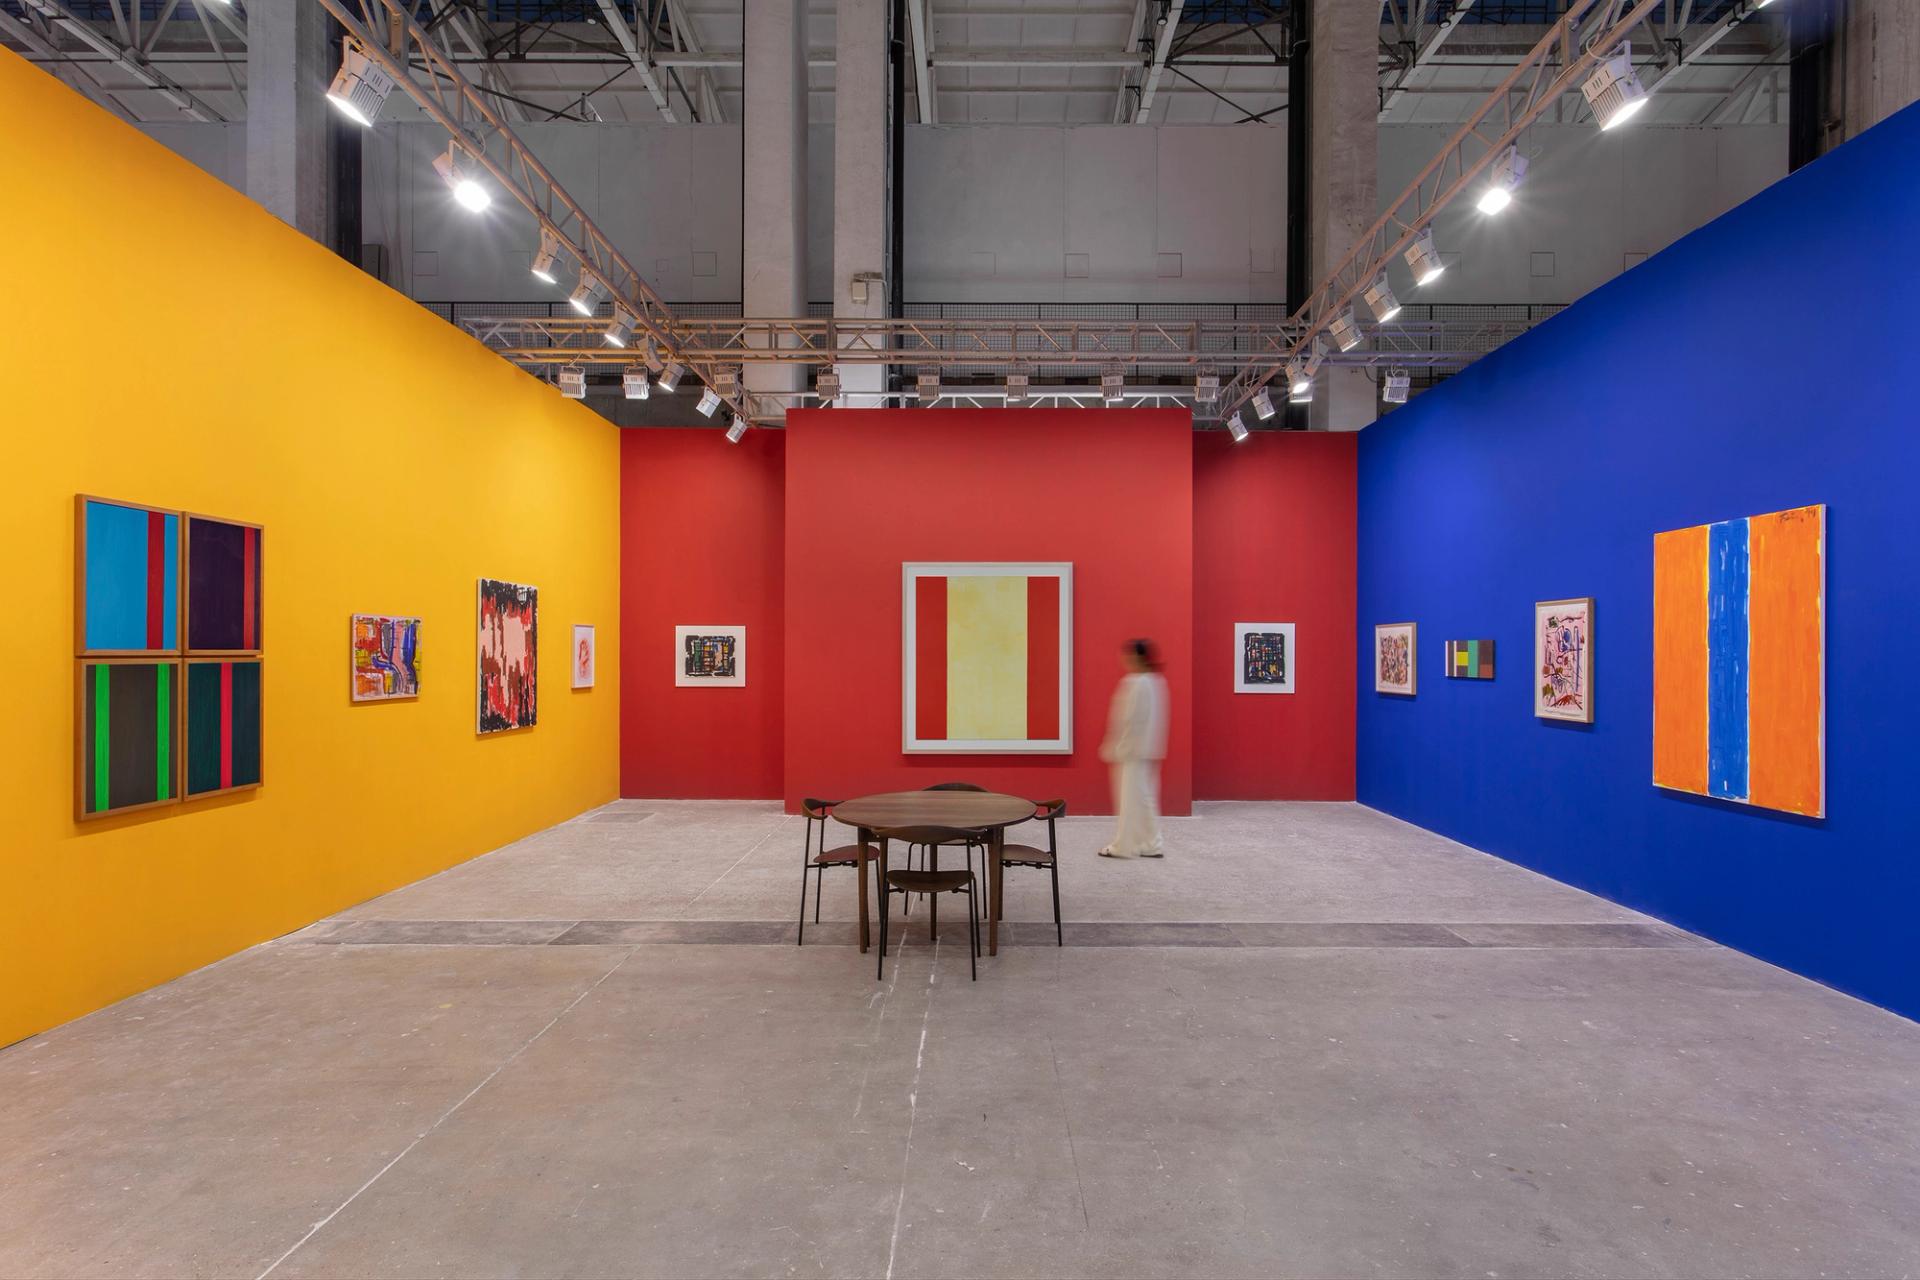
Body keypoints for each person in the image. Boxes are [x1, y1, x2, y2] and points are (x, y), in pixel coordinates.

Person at [1099, 638, 1169, 859]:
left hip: (1133, 752)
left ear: (1138, 657)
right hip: (1147, 750)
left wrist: (1120, 747)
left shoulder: (1138, 682)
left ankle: (1124, 846)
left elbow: (1132, 720)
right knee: (1144, 798)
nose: (1125, 660)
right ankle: (1151, 843)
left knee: (1130, 800)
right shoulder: (1156, 681)